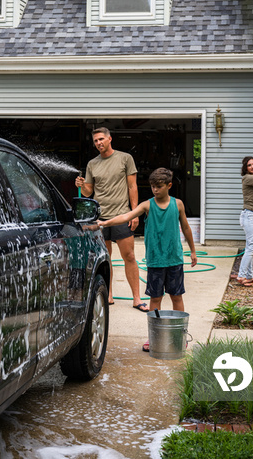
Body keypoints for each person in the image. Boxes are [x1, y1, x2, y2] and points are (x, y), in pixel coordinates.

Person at [90, 167, 197, 352]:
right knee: (155, 299)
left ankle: (179, 336)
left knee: (176, 296)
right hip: (155, 261)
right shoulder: (147, 205)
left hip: (175, 260)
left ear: (169, 186)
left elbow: (186, 228)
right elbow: (127, 216)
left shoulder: (177, 204)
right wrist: (105, 222)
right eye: (153, 186)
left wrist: (193, 252)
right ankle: (154, 337)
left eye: (159, 186)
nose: (155, 190)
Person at [75, 127, 148, 311]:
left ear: (109, 139)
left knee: (129, 256)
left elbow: (133, 186)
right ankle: (108, 295)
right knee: (105, 258)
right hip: (100, 218)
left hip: (122, 215)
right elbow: (88, 192)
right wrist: (82, 185)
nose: (98, 143)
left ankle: (137, 298)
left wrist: (134, 213)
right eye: (95, 141)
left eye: (101, 139)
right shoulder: (92, 164)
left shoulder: (125, 158)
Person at [236, 155, 253, 287]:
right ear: (245, 168)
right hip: (250, 216)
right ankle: (241, 275)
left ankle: (249, 276)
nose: (252, 166)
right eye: (249, 165)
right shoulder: (248, 178)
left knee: (250, 247)